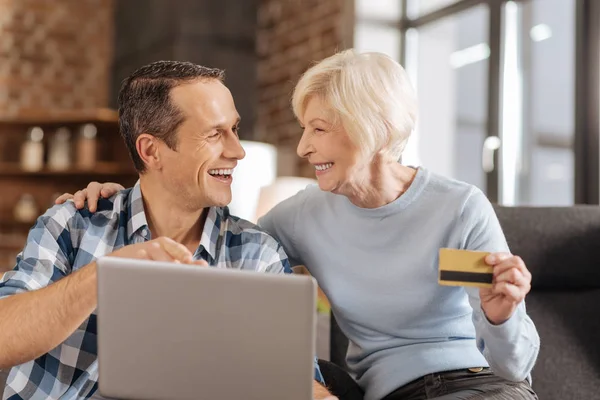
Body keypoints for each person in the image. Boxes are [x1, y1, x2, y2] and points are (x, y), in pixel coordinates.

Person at [60, 50, 540, 400]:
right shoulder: (302, 215)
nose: (304, 148)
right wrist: (117, 198)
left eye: (320, 129)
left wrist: (500, 316)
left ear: (370, 128)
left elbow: (514, 366)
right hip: (389, 392)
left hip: (480, 383)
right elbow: (213, 249)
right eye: (304, 128)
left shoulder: (459, 207)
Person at [0, 61, 333, 400]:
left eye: (234, 128)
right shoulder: (73, 224)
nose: (237, 150)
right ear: (151, 150)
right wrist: (105, 276)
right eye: (214, 133)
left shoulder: (256, 254)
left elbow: (297, 380)